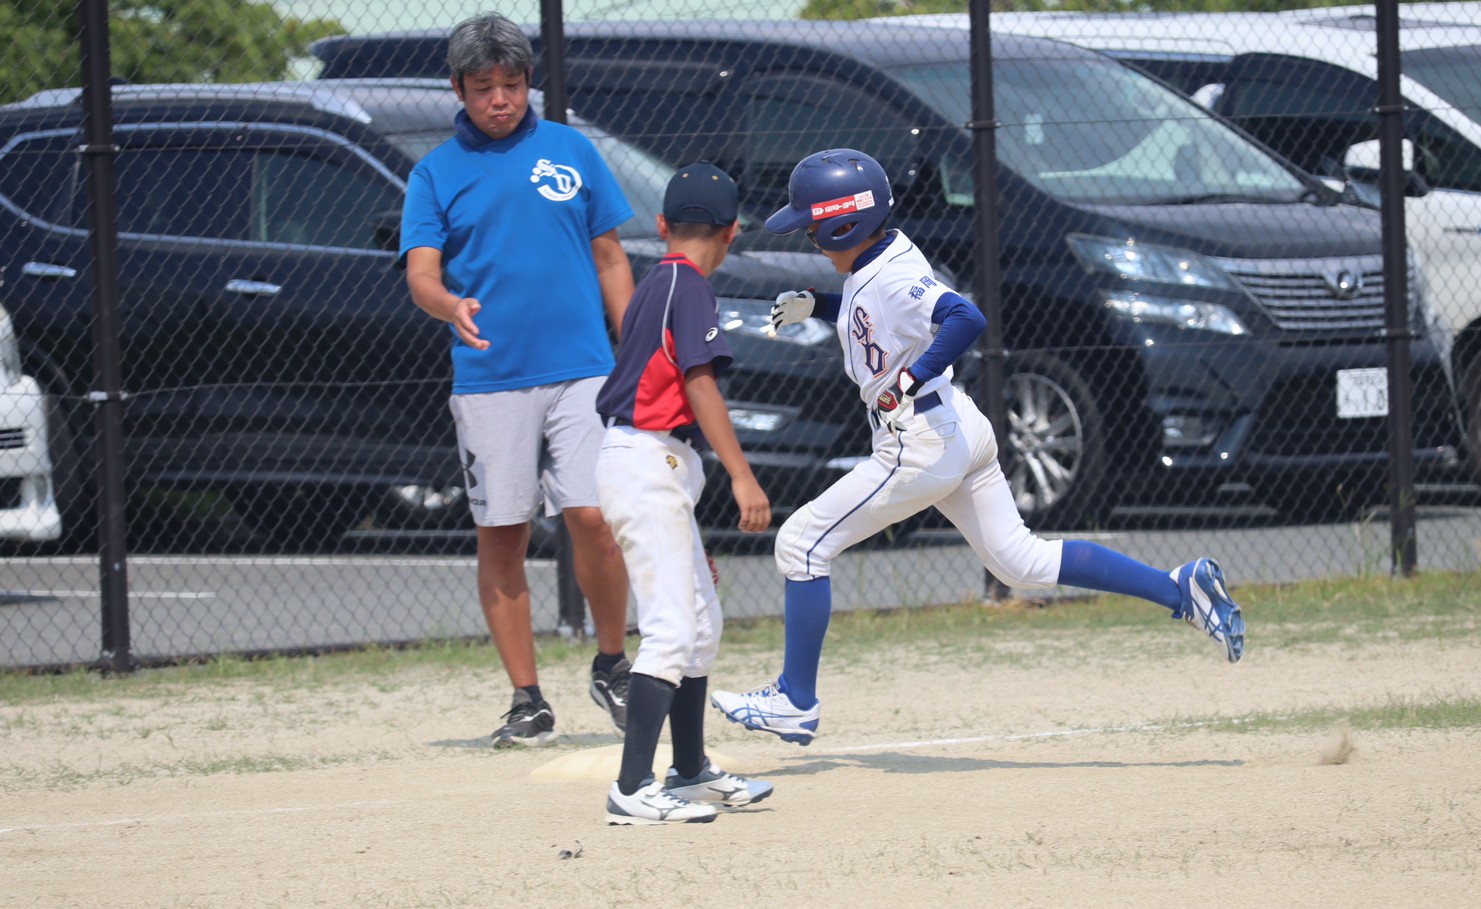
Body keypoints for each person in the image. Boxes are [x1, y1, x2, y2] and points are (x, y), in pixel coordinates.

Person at [711, 149, 1246, 746]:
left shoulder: (885, 273)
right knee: (1022, 562)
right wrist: (820, 304)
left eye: (812, 225)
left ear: (844, 223)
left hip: (921, 442)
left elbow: (965, 318)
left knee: (802, 543)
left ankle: (795, 700)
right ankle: (1180, 591)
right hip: (957, 427)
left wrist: (911, 379)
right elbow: (877, 316)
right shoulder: (879, 259)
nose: (809, 235)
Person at [401, 12, 635, 748]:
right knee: (501, 533)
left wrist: (634, 344)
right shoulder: (436, 172)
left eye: (511, 84)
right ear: (458, 90)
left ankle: (612, 663)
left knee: (595, 519)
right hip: (491, 378)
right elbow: (421, 276)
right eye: (483, 89)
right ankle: (527, 699)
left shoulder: (573, 152)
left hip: (583, 371)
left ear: (528, 82)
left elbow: (610, 258)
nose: (499, 100)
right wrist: (450, 306)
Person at [594, 162, 775, 824]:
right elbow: (699, 384)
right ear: (730, 234)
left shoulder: (656, 282)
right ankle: (630, 787)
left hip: (652, 463)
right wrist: (742, 473)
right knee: (672, 629)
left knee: (701, 620)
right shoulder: (688, 287)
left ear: (664, 225)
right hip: (646, 459)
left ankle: (690, 770)